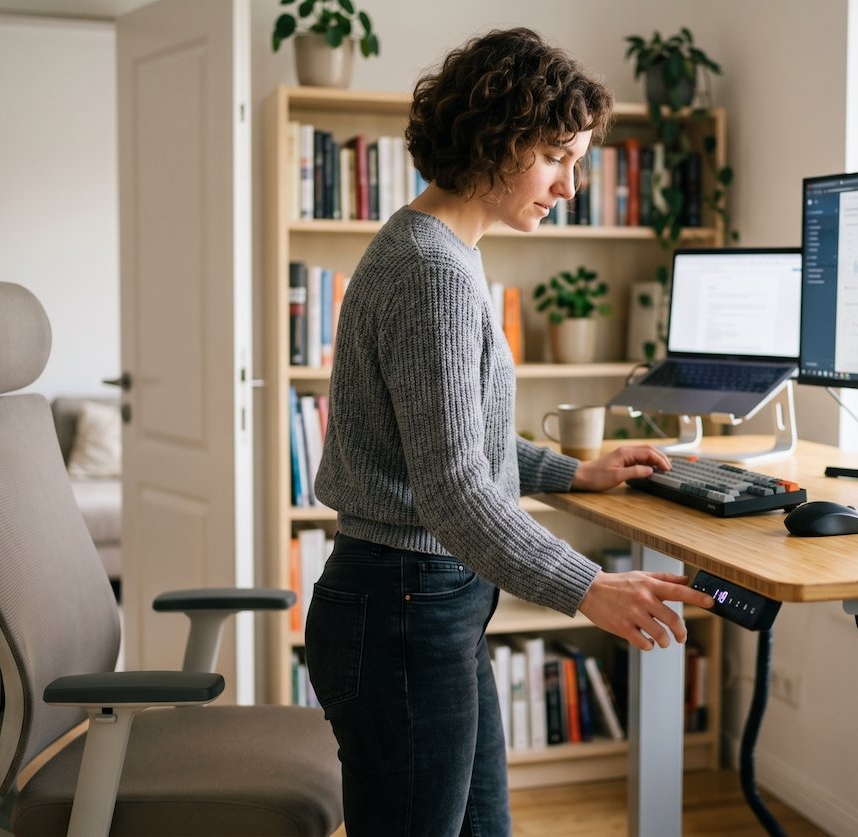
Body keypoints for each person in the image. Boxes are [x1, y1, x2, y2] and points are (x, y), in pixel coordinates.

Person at [304, 27, 715, 837]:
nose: (569, 185)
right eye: (558, 156)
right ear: (497, 137)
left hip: (428, 601)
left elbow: (457, 439)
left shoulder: (442, 251)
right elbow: (454, 487)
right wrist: (588, 586)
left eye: (579, 161)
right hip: (402, 606)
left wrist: (574, 473)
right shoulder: (432, 272)